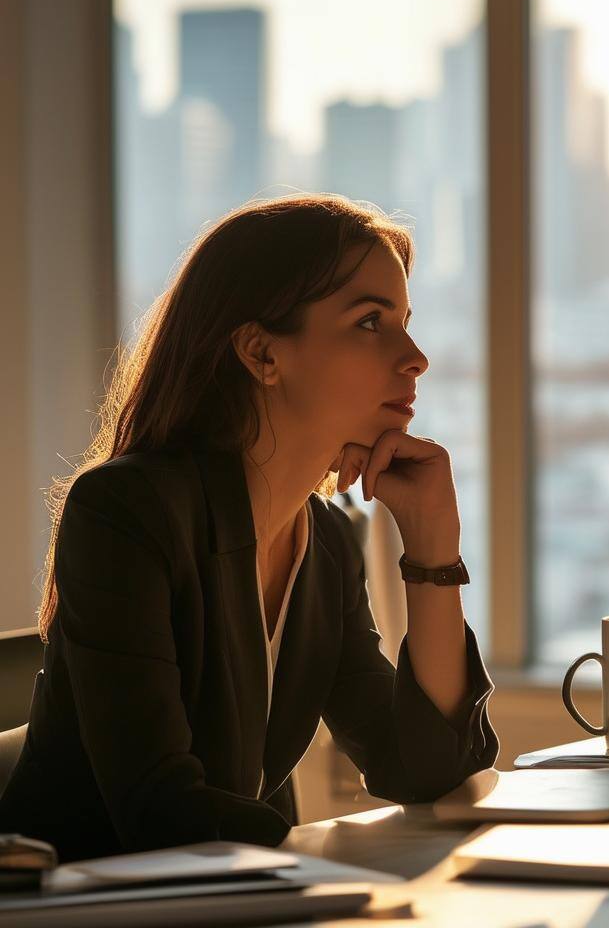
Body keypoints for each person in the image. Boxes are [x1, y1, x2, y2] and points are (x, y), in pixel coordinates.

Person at [0, 194, 499, 861]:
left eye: (406, 322)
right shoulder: (123, 511)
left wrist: (434, 550)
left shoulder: (324, 544)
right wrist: (327, 858)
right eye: (372, 322)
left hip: (220, 902)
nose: (415, 357)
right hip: (81, 906)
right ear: (262, 353)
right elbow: (160, 810)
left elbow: (423, 768)